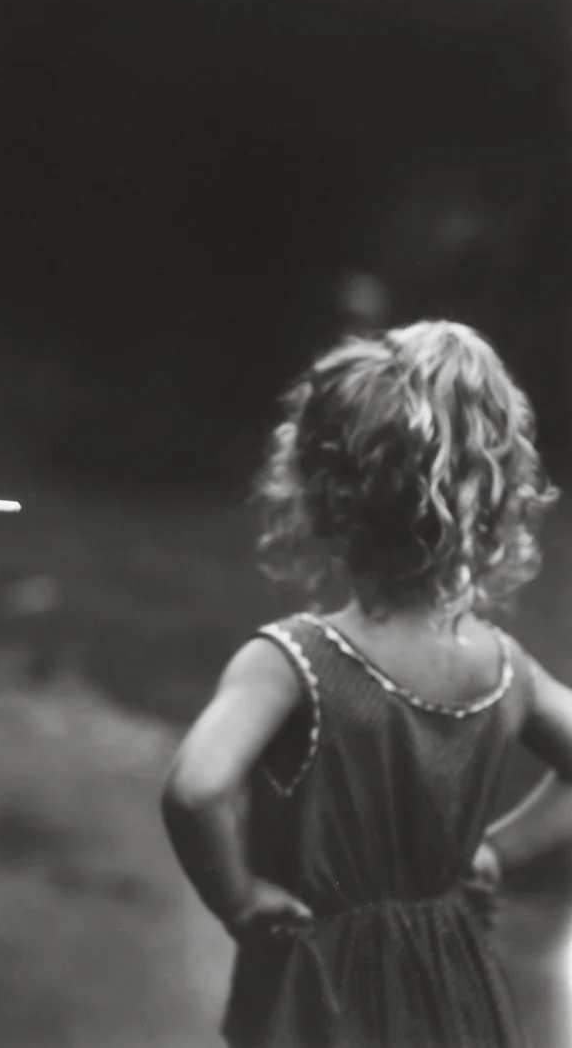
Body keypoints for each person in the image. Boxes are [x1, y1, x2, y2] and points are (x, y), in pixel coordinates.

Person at [162, 320, 572, 1048]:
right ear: (497, 497)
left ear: (325, 494)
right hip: (455, 985)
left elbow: (196, 788)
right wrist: (500, 851)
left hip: (320, 991)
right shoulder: (507, 668)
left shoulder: (294, 660)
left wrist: (241, 898)